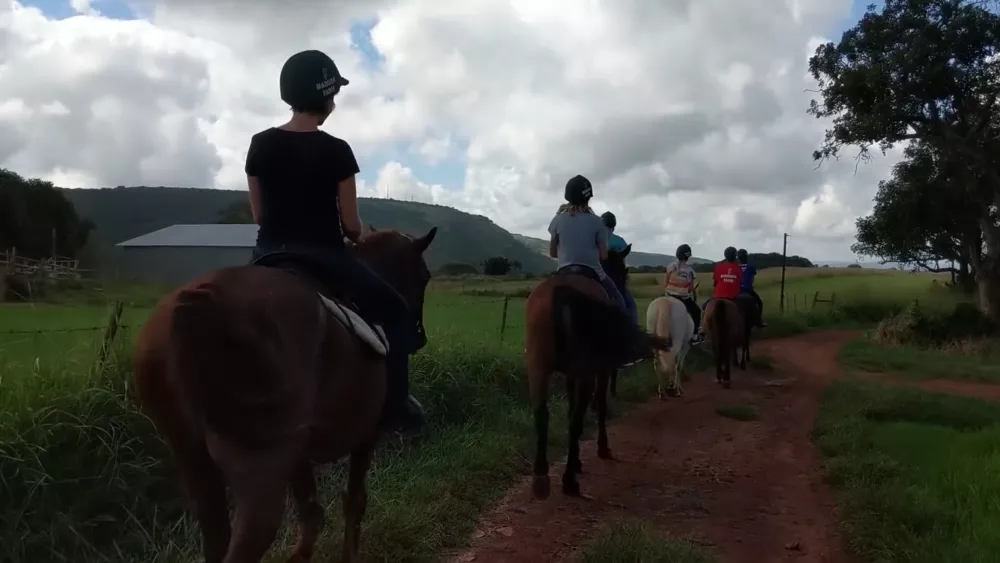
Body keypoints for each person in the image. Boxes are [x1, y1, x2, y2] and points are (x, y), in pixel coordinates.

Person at [245, 49, 425, 433]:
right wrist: (354, 233)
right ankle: (395, 408)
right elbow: (352, 226)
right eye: (334, 95)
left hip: (267, 257)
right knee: (396, 312)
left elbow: (258, 216)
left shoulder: (259, 144)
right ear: (326, 96)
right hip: (324, 257)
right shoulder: (337, 150)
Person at [548, 175, 643, 365]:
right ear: (588, 197)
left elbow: (552, 253)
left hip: (563, 272)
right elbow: (603, 256)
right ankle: (624, 349)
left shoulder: (557, 220)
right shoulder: (596, 222)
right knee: (620, 302)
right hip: (593, 272)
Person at [600, 211, 638, 326]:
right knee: (631, 304)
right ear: (614, 227)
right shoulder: (620, 241)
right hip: (614, 280)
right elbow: (624, 264)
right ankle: (634, 329)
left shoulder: (596, 239)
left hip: (597, 275)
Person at [664, 244, 703, 345]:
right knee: (697, 311)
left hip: (669, 296)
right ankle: (695, 337)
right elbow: (690, 290)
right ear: (688, 256)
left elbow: (666, 283)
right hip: (682, 298)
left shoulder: (670, 267)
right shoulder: (690, 271)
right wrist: (692, 288)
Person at [736, 248, 766, 327]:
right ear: (746, 257)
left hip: (736, 290)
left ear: (738, 258)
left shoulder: (735, 267)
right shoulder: (751, 266)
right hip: (747, 290)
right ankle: (759, 321)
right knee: (759, 303)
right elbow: (752, 278)